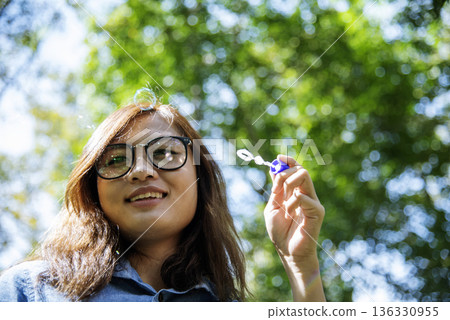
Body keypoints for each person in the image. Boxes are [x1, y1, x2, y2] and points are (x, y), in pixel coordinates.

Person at [0, 102, 326, 302]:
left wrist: (302, 266)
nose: (141, 171)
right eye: (115, 160)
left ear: (201, 178)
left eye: (165, 153)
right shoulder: (29, 291)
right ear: (93, 189)